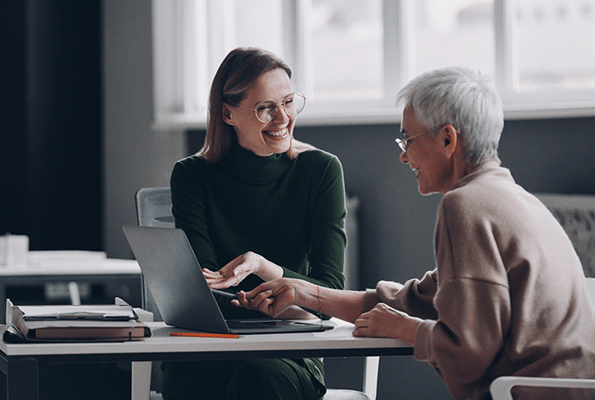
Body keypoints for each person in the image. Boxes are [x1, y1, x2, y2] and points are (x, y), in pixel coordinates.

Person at [235, 67, 595, 400]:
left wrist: (408, 330)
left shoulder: (466, 205)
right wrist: (305, 293)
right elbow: (420, 299)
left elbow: (469, 354)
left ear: (448, 139)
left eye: (407, 139)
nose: (404, 157)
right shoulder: (510, 198)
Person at [165, 47, 347, 400]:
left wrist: (265, 269)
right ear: (227, 114)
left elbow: (329, 293)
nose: (283, 119)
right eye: (265, 108)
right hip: (209, 350)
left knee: (259, 377)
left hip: (287, 352)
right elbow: (200, 294)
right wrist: (275, 301)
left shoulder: (321, 170)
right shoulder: (191, 175)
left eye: (289, 102)